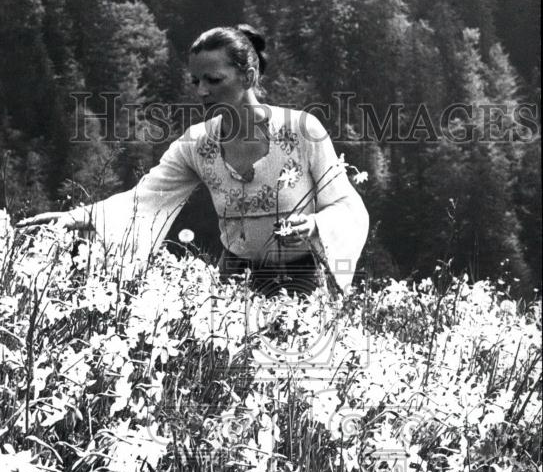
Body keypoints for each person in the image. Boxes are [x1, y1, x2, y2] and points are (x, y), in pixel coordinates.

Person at [19, 24, 369, 298]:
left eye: (214, 80)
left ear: (248, 77)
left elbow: (344, 204)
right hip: (234, 283)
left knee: (295, 380)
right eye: (196, 81)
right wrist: (75, 217)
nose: (202, 91)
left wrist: (314, 227)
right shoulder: (197, 144)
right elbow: (146, 199)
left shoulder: (302, 131)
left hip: (301, 284)